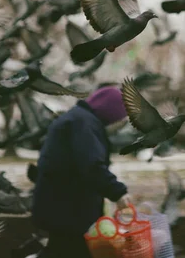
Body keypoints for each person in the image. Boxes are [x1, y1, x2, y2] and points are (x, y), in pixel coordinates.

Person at [32, 86, 132, 258]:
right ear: (110, 113)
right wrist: (118, 192)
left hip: (61, 203)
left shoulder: (79, 119)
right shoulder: (84, 124)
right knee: (70, 249)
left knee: (63, 249)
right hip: (68, 207)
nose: (120, 127)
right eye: (120, 120)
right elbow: (91, 165)